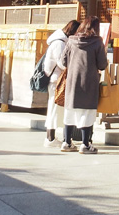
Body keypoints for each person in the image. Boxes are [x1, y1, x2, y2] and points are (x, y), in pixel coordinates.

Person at [58, 16, 107, 154]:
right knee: (87, 112)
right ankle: (85, 145)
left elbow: (63, 62)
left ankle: (67, 142)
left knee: (69, 112)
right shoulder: (98, 43)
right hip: (89, 82)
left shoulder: (71, 41)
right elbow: (102, 65)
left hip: (72, 81)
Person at [42, 19, 80, 147]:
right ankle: (50, 138)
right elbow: (61, 63)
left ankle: (51, 137)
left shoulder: (58, 41)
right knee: (54, 109)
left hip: (55, 79)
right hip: (56, 80)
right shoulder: (60, 43)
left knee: (54, 109)